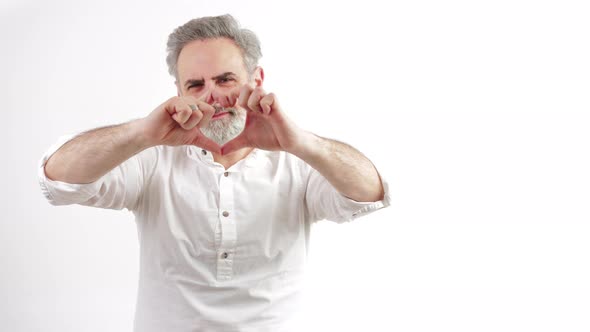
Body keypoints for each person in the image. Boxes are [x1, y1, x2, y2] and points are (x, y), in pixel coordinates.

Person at [38, 14, 390, 332]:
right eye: (196, 85)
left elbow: (369, 193)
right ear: (178, 93)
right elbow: (59, 181)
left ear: (257, 79)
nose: (213, 96)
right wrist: (142, 133)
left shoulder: (295, 158)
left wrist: (299, 142)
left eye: (225, 80)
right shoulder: (153, 157)